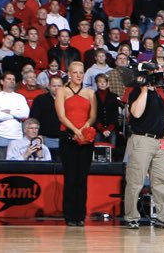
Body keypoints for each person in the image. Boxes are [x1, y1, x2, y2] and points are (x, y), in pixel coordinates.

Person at [123, 65, 164, 229]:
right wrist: (144, 90)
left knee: (163, 181)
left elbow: (163, 123)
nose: (156, 76)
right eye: (152, 73)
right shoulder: (136, 92)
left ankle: (163, 217)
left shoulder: (160, 97)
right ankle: (132, 217)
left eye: (157, 73)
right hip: (141, 139)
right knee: (136, 181)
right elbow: (136, 113)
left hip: (159, 141)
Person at [55, 62, 96, 227]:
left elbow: (92, 116)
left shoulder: (90, 92)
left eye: (81, 73)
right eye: (75, 72)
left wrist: (83, 130)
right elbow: (61, 116)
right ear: (69, 74)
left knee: (82, 178)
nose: (78, 76)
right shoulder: (62, 91)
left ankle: (81, 215)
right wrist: (75, 130)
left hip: (85, 137)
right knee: (71, 177)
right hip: (68, 137)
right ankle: (70, 215)